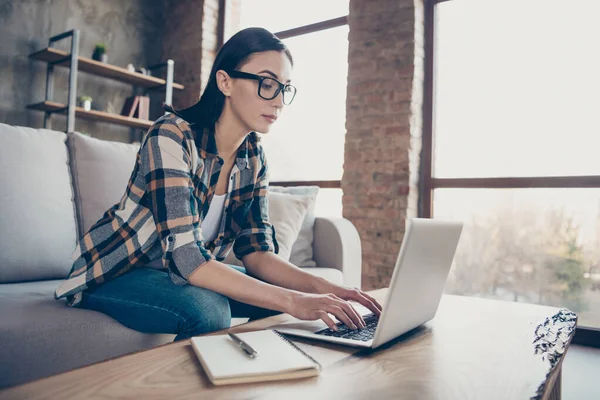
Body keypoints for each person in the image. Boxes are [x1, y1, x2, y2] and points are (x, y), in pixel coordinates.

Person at [54, 27, 382, 342]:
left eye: (285, 88)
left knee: (270, 300)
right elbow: (189, 261)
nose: (279, 101)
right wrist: (292, 301)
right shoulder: (171, 135)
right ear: (224, 81)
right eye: (267, 84)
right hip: (117, 271)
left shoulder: (253, 157)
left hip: (174, 276)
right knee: (210, 311)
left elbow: (257, 253)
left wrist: (325, 288)